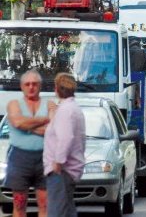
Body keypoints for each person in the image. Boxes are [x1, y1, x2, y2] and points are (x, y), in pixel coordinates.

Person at [4, 69, 53, 217]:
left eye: (34, 84)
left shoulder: (50, 104)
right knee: (19, 204)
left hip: (44, 158)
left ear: (40, 85)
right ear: (21, 86)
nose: (31, 87)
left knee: (45, 205)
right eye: (27, 84)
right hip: (19, 158)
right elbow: (18, 122)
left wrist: (27, 127)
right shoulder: (14, 104)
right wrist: (44, 120)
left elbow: (53, 129)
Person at [43, 73, 86, 217]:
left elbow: (66, 138)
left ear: (56, 89)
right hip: (67, 170)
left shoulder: (66, 111)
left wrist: (58, 162)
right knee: (67, 211)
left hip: (61, 171)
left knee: (57, 212)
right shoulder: (71, 108)